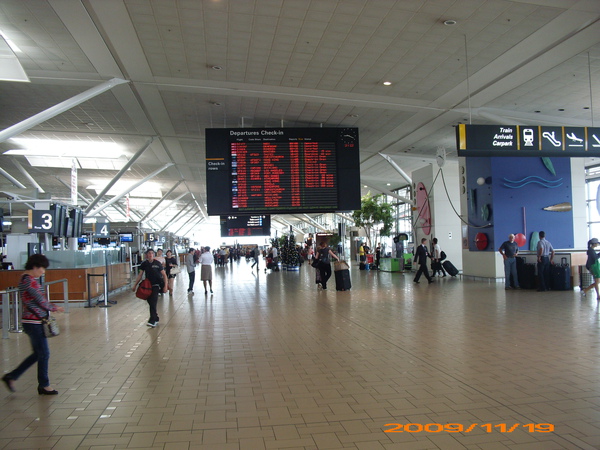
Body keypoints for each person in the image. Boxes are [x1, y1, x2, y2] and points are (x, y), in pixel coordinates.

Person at [2, 254, 65, 395]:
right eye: (42, 268)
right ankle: (44, 385)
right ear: (35, 267)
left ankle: (11, 376)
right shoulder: (28, 281)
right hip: (33, 322)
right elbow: (39, 299)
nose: (43, 272)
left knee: (38, 354)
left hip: (34, 320)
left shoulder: (28, 279)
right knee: (44, 353)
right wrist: (54, 308)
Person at [133, 249, 168, 327]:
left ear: (154, 255)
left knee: (153, 302)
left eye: (152, 253)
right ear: (146, 255)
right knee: (150, 302)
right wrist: (135, 285)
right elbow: (140, 275)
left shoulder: (157, 263)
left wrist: (165, 286)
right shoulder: (144, 264)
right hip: (148, 285)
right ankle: (156, 317)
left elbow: (164, 275)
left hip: (156, 285)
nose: (150, 255)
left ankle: (152, 320)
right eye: (149, 253)